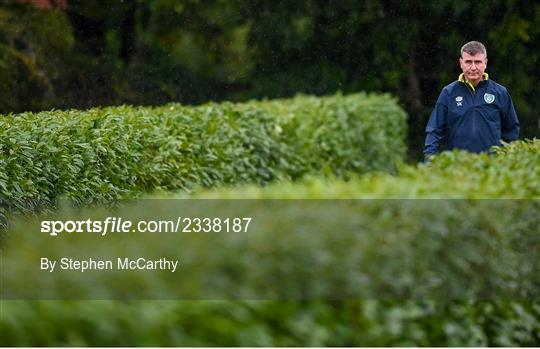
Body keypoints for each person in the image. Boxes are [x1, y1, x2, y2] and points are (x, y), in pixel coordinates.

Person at [424, 41, 520, 161]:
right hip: (457, 167)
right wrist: (429, 160)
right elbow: (434, 130)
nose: (473, 67)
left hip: (493, 167)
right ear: (461, 63)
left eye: (478, 62)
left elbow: (511, 130)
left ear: (485, 63)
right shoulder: (448, 93)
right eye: (468, 62)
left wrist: (506, 159)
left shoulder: (500, 92)